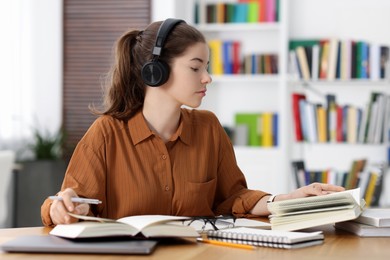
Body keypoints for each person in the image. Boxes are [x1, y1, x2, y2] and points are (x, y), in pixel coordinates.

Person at [41, 18, 344, 227]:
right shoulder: (107, 133)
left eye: (207, 67)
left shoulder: (208, 128)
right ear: (155, 72)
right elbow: (70, 204)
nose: (207, 78)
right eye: (195, 67)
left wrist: (287, 199)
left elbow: (234, 199)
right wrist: (64, 208)